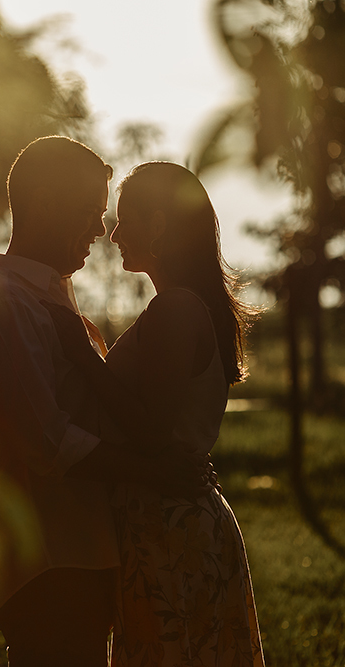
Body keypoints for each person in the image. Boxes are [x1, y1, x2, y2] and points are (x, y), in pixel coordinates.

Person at [0, 137, 207, 667]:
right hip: (48, 562)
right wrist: (154, 472)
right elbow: (47, 443)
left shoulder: (49, 297)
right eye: (90, 211)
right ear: (44, 202)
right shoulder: (9, 308)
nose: (100, 227)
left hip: (79, 554)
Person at [47, 161, 265, 666]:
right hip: (168, 523)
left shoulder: (177, 309)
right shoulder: (181, 306)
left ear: (160, 225)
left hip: (171, 529)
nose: (114, 233)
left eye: (126, 220)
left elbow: (149, 432)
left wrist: (84, 357)